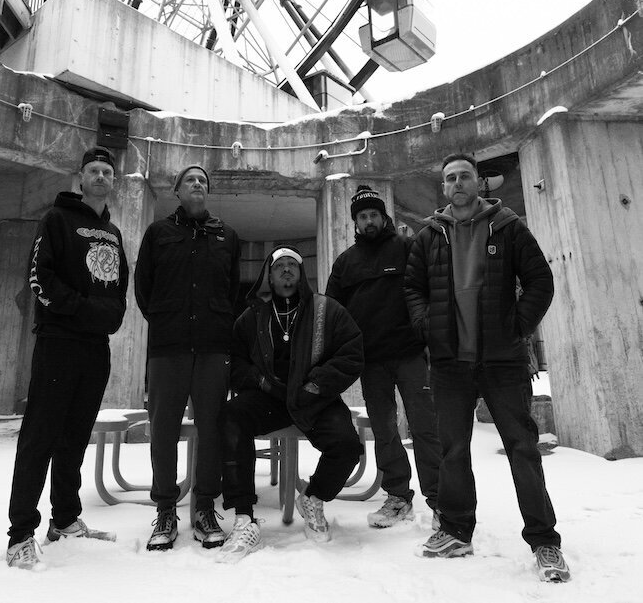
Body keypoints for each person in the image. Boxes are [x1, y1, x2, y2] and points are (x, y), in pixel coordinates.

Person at [404, 152, 570, 583]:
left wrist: (517, 326)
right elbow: (413, 288)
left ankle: (544, 540)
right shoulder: (429, 237)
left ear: (478, 182)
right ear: (443, 188)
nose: (457, 183)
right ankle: (456, 530)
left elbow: (540, 281)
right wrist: (426, 325)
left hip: (502, 360)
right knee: (452, 450)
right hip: (449, 362)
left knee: (522, 448)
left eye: (464, 176)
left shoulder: (508, 227)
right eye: (450, 178)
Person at [6, 146, 128, 570]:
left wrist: (109, 317)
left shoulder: (112, 232)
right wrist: (84, 310)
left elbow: (119, 289)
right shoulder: (56, 219)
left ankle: (65, 520)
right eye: (93, 170)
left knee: (74, 437)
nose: (100, 177)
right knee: (40, 435)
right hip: (58, 342)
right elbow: (40, 277)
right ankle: (20, 534)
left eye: (107, 171)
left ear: (113, 181)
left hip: (96, 349)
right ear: (80, 178)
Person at [217, 245, 364, 563]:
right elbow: (235, 360)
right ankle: (244, 518)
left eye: (292, 265)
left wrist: (317, 384)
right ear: (269, 276)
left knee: (348, 445)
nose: (286, 269)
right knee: (232, 416)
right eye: (279, 265)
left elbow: (351, 351)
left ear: (302, 273)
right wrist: (258, 381)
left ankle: (313, 498)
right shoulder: (253, 315)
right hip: (270, 398)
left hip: (314, 398)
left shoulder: (326, 309)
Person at [135, 164, 240, 551]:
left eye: (203, 181)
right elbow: (143, 287)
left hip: (213, 347)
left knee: (211, 427)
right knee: (163, 428)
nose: (198, 184)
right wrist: (167, 320)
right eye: (190, 180)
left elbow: (232, 289)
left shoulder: (227, 236)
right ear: (177, 191)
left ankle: (204, 508)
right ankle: (165, 509)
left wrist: (218, 322)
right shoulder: (158, 233)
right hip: (169, 347)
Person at [325, 184, 441, 529]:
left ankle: (440, 499)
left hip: (410, 355)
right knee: (384, 429)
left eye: (373, 214)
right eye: (362, 216)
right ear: (356, 222)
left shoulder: (407, 248)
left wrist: (428, 335)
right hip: (371, 361)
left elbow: (428, 290)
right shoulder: (345, 262)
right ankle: (397, 496)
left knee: (425, 427)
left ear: (383, 216)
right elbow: (332, 312)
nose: (369, 221)